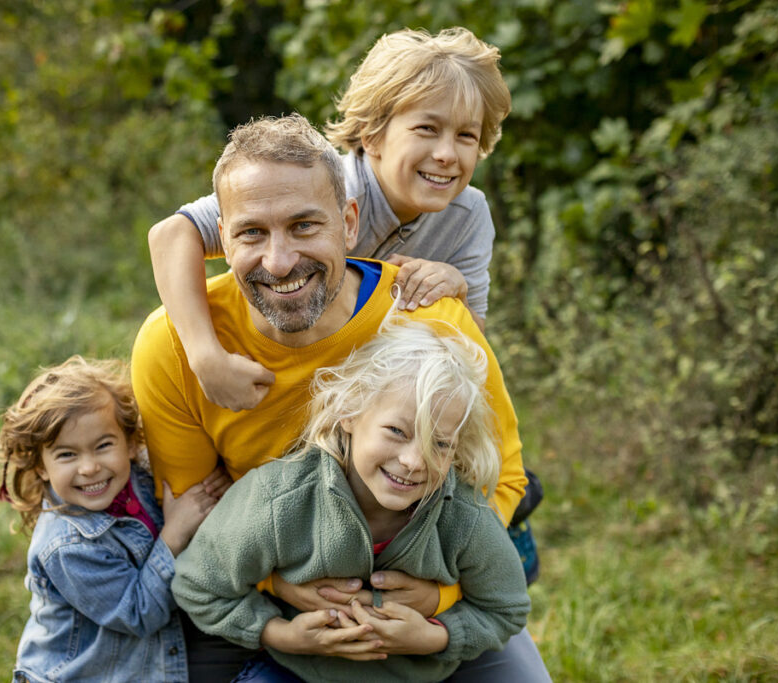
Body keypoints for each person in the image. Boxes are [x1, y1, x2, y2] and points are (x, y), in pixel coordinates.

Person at [131, 114, 550, 681]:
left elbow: (502, 480)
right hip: (268, 592)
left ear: (349, 223)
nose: (279, 261)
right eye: (252, 233)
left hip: (421, 595)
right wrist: (278, 588)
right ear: (220, 240)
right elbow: (196, 509)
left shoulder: (431, 322)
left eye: (305, 226)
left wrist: (441, 597)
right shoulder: (174, 345)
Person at [148, 26, 511, 412]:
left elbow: (472, 351)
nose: (446, 154)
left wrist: (457, 289)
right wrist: (206, 357)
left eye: (466, 136)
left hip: (367, 405)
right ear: (372, 137)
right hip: (273, 383)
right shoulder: (317, 188)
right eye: (427, 128)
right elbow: (172, 234)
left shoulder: (469, 214)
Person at [172, 320, 532, 682]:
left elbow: (505, 609)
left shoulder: (461, 516)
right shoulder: (278, 500)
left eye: (439, 444)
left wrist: (434, 638)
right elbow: (199, 584)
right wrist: (283, 635)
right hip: (298, 670)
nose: (413, 461)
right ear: (349, 412)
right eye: (397, 431)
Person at [0, 356, 228, 682]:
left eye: (103, 445)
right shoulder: (66, 545)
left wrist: (212, 482)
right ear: (41, 467)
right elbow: (137, 613)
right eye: (67, 455)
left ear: (130, 444)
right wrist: (174, 534)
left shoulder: (139, 477)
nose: (89, 467)